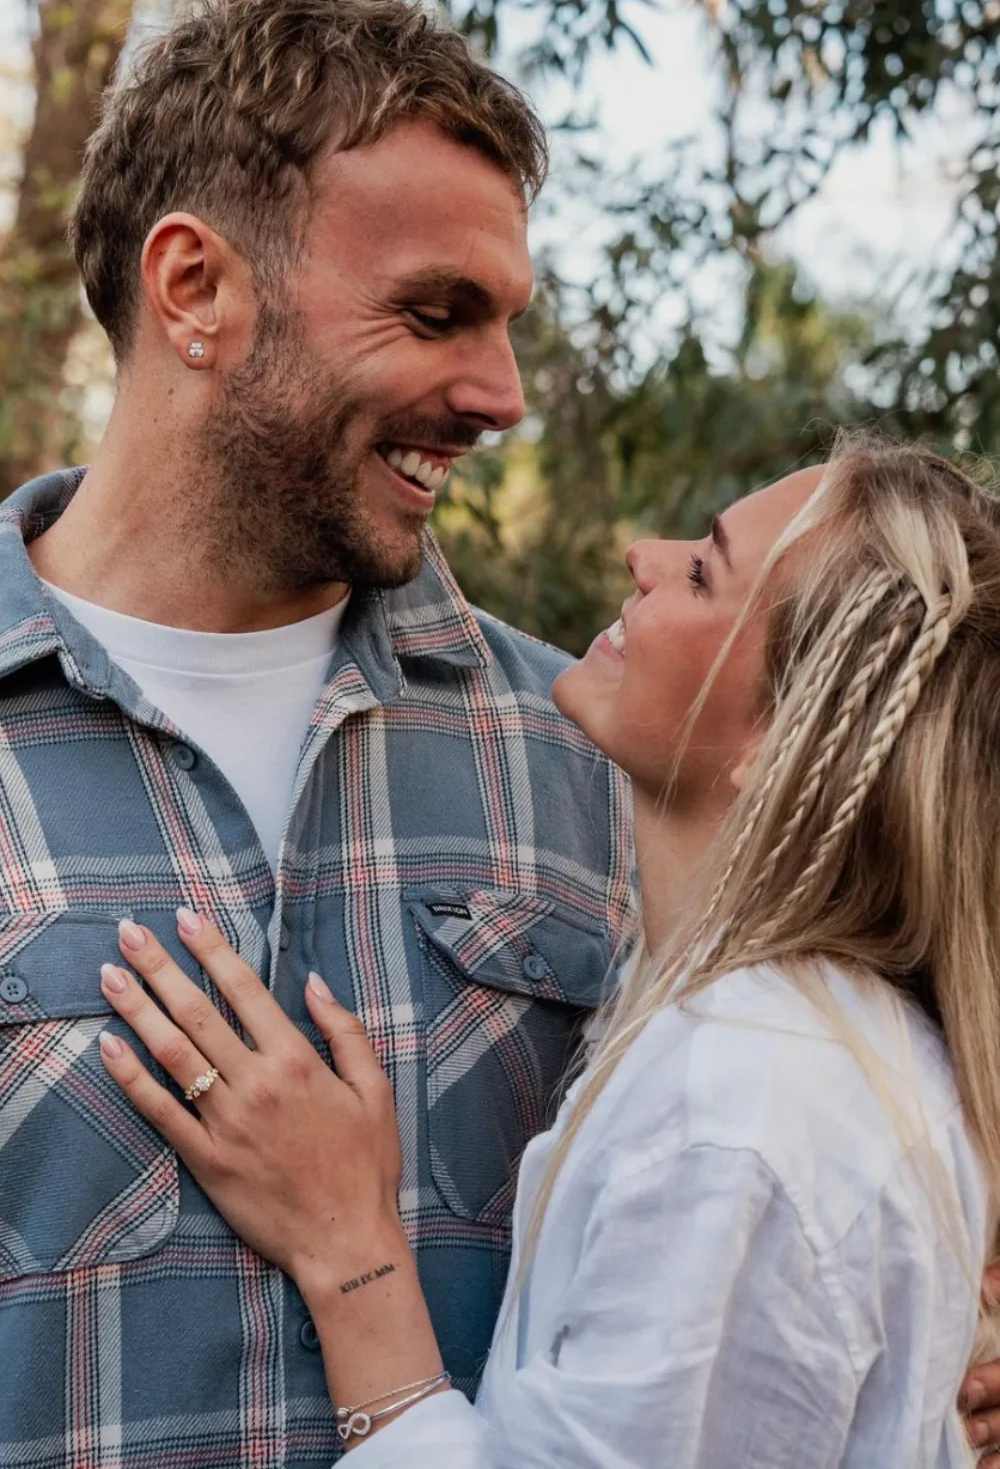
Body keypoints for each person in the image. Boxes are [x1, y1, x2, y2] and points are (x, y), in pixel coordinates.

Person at [0, 0, 634, 1468]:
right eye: (435, 314)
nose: (501, 394)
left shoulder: (594, 766)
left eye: (507, 324)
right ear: (196, 290)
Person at [100, 437, 1000, 1466]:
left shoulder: (742, 1103)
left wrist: (349, 1255)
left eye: (702, 571)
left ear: (782, 740)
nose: (642, 555)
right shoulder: (769, 1035)